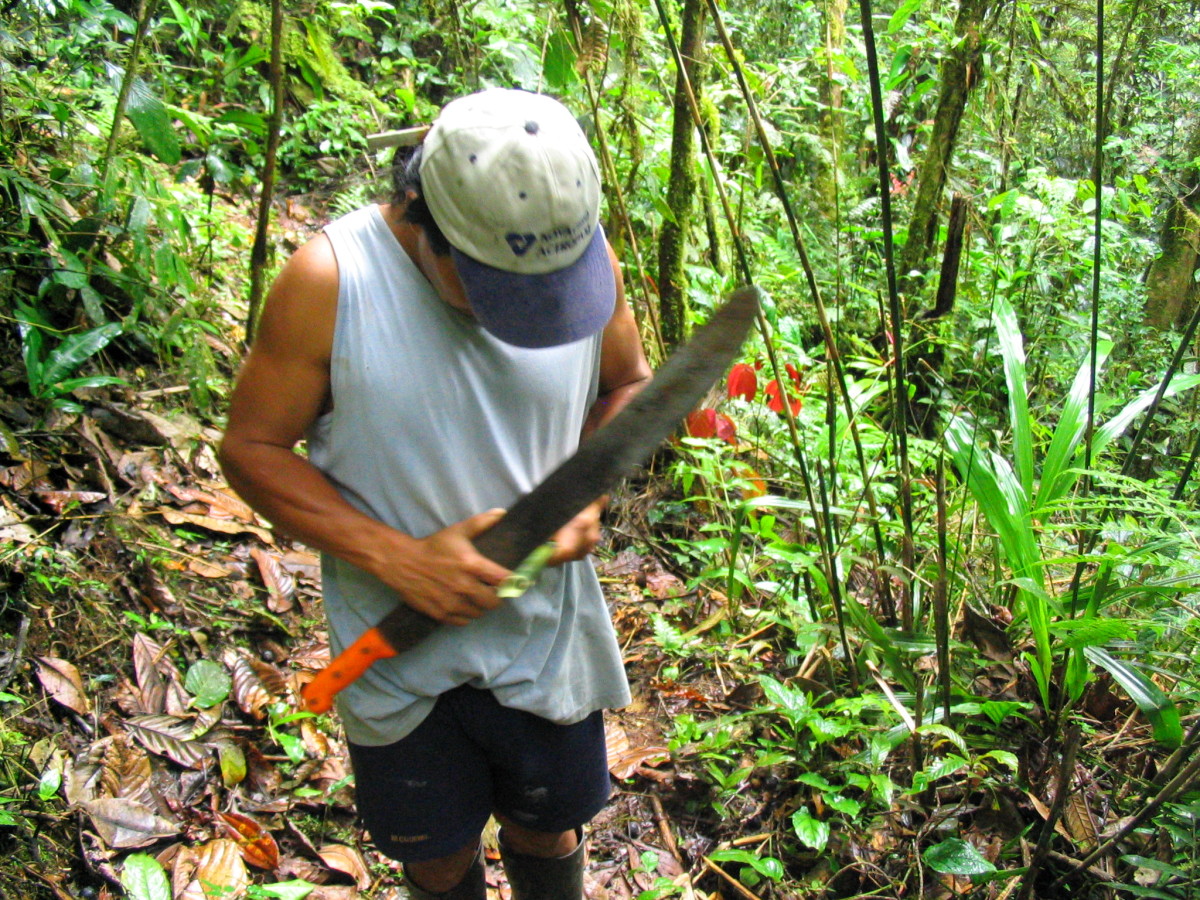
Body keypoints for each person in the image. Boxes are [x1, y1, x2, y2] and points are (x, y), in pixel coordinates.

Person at [218, 88, 652, 899]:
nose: (526, 312)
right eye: (495, 285)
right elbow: (250, 447)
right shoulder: (330, 282)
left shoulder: (577, 256)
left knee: (546, 826)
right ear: (423, 218)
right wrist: (397, 556)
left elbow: (625, 385)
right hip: (396, 655)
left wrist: (583, 489)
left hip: (547, 641)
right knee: (436, 854)